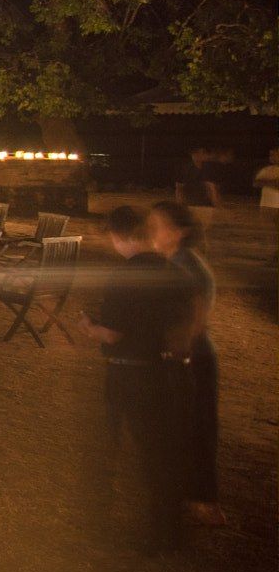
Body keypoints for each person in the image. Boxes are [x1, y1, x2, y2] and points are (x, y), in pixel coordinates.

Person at [76, 205, 195, 553]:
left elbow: (112, 334)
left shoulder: (124, 276)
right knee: (159, 454)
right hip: (165, 371)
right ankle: (168, 531)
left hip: (128, 373)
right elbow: (186, 322)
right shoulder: (175, 272)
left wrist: (89, 327)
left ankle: (97, 524)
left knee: (106, 448)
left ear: (123, 236)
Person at [150, 201, 225, 526]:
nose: (152, 233)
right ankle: (191, 497)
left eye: (158, 227)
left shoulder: (185, 268)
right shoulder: (179, 262)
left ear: (179, 232)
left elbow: (193, 321)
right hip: (191, 356)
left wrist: (172, 355)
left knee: (196, 427)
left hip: (193, 358)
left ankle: (203, 501)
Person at [256, 147, 279, 246]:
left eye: (274, 155)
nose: (271, 157)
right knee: (269, 232)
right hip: (265, 205)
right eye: (270, 155)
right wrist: (272, 182)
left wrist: (265, 181)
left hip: (277, 205)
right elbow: (256, 183)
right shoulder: (266, 169)